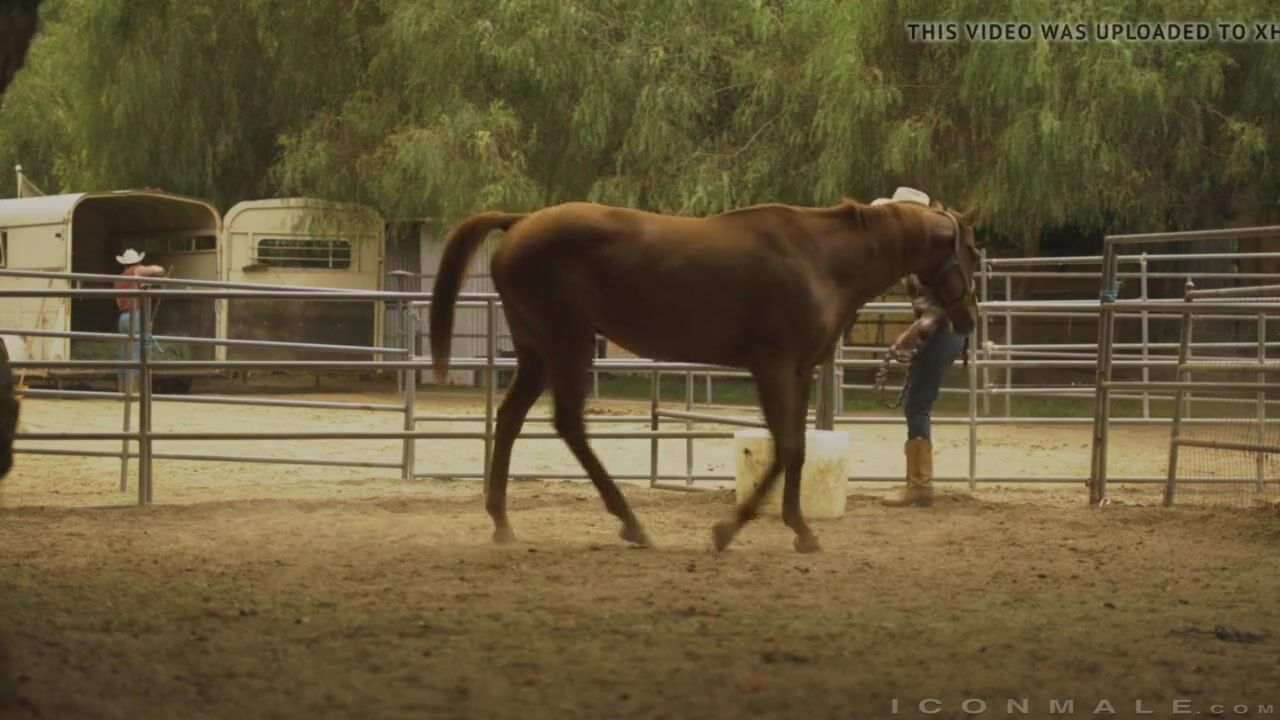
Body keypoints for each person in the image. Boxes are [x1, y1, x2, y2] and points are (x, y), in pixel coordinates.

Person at [871, 188, 968, 507]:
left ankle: (920, 486)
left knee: (917, 404)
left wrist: (912, 334)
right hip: (945, 331)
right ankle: (919, 483)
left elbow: (938, 308)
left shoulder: (926, 253)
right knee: (918, 402)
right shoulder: (924, 250)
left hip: (944, 330)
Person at [113, 249, 166, 393]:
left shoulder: (119, 279)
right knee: (138, 351)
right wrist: (161, 271)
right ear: (137, 262)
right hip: (134, 315)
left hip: (123, 317)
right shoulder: (136, 270)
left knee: (124, 352)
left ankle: (122, 387)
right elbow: (155, 270)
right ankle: (134, 389)